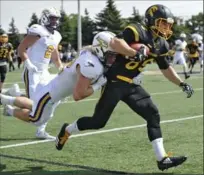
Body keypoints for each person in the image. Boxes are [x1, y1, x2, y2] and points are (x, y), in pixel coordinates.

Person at [55, 4, 194, 171]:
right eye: (163, 23)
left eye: (168, 25)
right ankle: (68, 130)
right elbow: (115, 42)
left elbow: (165, 68)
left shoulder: (161, 44)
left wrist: (181, 83)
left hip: (132, 84)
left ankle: (162, 159)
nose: (166, 27)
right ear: (151, 20)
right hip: (114, 82)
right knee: (98, 122)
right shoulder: (137, 30)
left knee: (153, 114)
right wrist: (134, 52)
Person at [6, 7, 64, 139]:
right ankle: (9, 103)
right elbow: (21, 48)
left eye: (56, 18)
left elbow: (54, 55)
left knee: (52, 99)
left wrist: (60, 66)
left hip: (44, 71)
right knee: (35, 104)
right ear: (45, 17)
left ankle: (40, 130)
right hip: (31, 71)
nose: (55, 21)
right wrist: (28, 63)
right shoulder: (38, 30)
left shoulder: (56, 35)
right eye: (52, 18)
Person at [0, 34, 13, 101]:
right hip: (2, 63)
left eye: (5, 37)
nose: (4, 38)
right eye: (3, 37)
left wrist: (10, 60)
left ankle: (0, 92)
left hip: (3, 63)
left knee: (3, 78)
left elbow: (9, 54)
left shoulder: (9, 45)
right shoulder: (9, 45)